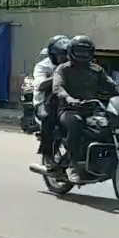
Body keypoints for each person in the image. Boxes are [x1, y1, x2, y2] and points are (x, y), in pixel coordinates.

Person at [51, 34, 119, 183]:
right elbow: (58, 87)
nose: (83, 55)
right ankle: (72, 164)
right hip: (69, 110)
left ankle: (104, 160)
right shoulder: (63, 69)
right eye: (79, 51)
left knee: (109, 126)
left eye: (86, 51)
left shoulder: (96, 70)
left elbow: (113, 86)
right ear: (71, 52)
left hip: (93, 109)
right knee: (76, 123)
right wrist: (69, 99)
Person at [31, 36, 69, 170]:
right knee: (49, 119)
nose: (64, 57)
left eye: (67, 54)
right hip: (44, 103)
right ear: (53, 55)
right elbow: (40, 85)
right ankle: (47, 153)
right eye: (61, 55)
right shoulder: (43, 66)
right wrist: (59, 75)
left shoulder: (72, 65)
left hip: (65, 101)